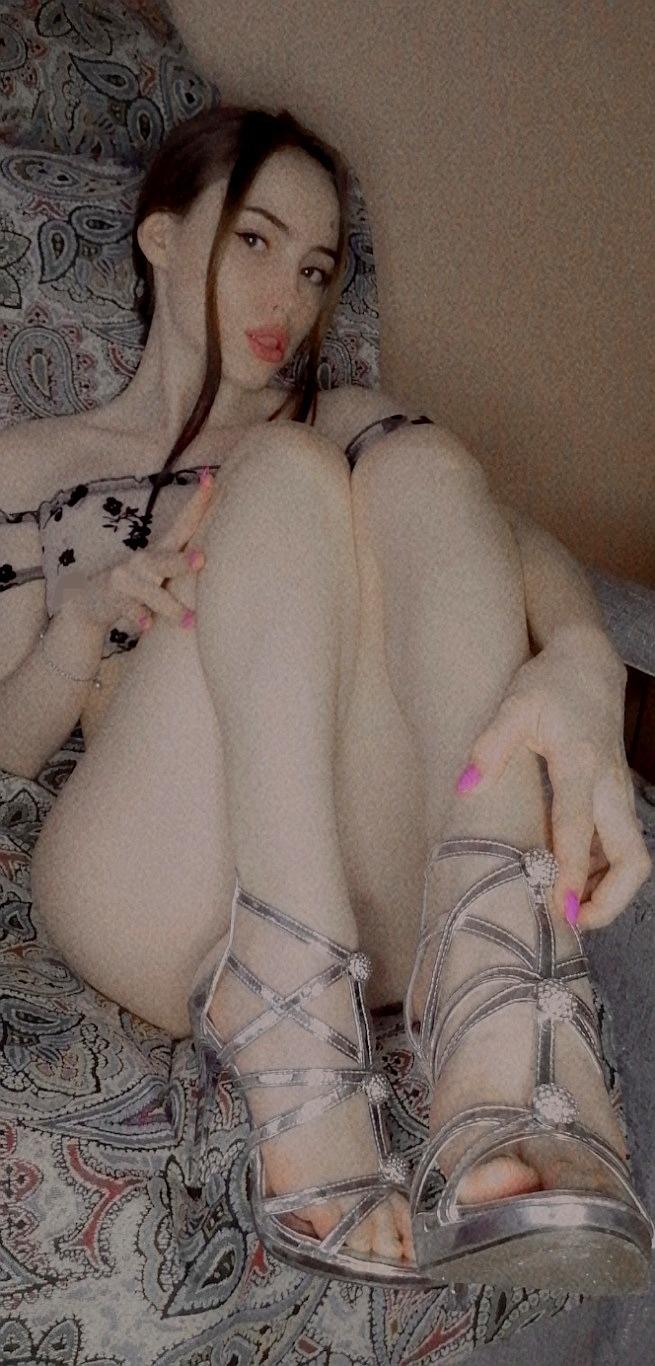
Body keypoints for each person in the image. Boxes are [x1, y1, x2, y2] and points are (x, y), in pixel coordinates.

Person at [0, 105, 651, 1291]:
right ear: (160, 236)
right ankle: (292, 999)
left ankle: (495, 1006)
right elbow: (5, 746)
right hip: (151, 879)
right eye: (255, 241)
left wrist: (582, 662)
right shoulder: (33, 466)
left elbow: (510, 550)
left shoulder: (341, 418)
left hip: (371, 904)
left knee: (422, 464)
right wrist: (80, 623)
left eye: (314, 268)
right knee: (290, 470)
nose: (289, 299)